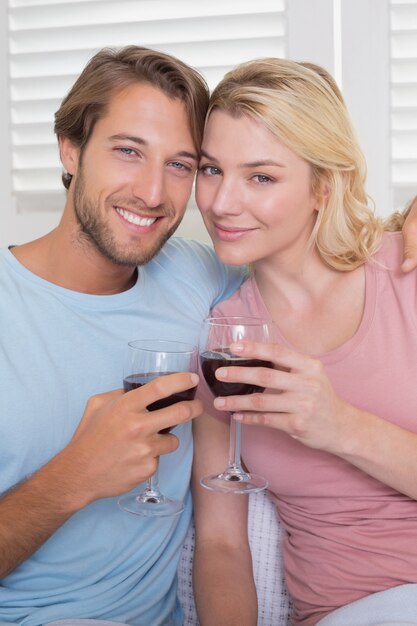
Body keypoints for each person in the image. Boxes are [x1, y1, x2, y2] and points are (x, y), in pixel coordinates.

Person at [0, 46, 245, 626]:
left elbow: (317, 251)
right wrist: (73, 478)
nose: (153, 193)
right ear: (70, 147)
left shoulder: (199, 275)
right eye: (128, 151)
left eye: (180, 165)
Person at [192, 57, 417, 626]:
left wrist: (341, 426)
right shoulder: (224, 338)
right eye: (211, 169)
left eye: (261, 177)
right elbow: (221, 544)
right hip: (348, 611)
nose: (221, 203)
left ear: (323, 184)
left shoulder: (407, 275)